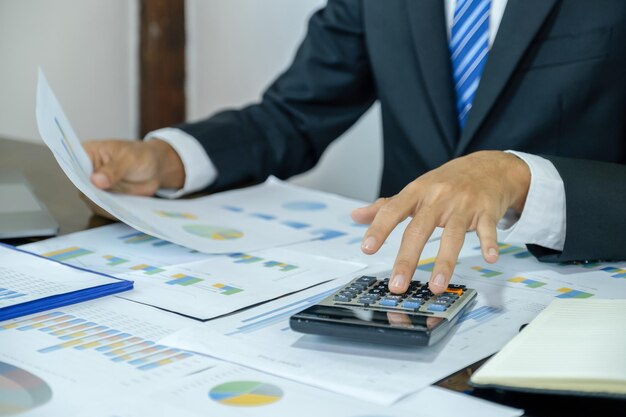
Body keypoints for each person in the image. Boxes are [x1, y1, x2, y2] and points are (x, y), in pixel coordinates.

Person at [84, 0, 626, 296]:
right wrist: (170, 158)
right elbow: (294, 114)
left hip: (572, 302)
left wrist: (517, 177)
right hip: (399, 297)